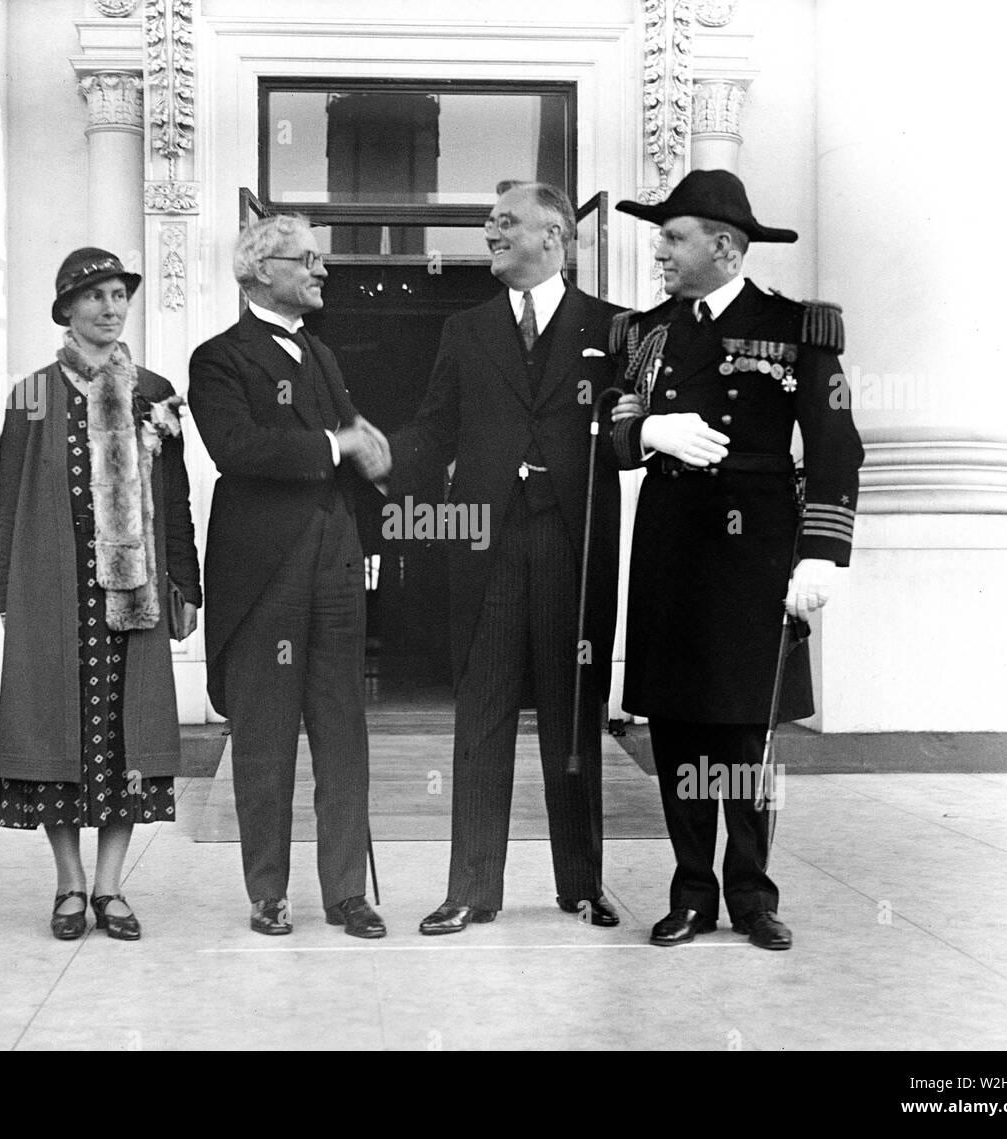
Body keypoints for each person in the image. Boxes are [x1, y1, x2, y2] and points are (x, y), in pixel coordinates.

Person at [607, 169, 864, 951]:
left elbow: (834, 446)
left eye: (673, 236)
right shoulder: (643, 332)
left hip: (756, 549)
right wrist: (646, 433)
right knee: (680, 725)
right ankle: (692, 892)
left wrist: (821, 554)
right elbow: (609, 427)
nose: (660, 250)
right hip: (671, 546)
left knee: (745, 730)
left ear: (723, 246)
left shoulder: (798, 328)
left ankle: (751, 893)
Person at [386, 181, 624, 935]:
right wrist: (375, 469)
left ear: (554, 236)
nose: (489, 230)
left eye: (506, 221)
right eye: (489, 221)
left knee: (573, 716)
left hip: (572, 544)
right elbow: (434, 431)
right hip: (482, 546)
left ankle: (582, 883)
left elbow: (628, 436)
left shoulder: (613, 328)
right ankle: (471, 888)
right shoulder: (466, 328)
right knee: (480, 715)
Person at [0, 248, 201, 942]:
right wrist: (3, 588)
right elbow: (9, 495)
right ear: (67, 308)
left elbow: (176, 496)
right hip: (53, 588)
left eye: (120, 296)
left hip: (130, 594)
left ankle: (110, 886)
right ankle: (69, 883)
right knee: (55, 728)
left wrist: (185, 580)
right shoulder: (31, 395)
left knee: (123, 733)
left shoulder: (154, 389)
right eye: (96, 296)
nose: (111, 309)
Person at [189, 214, 388, 939]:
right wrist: (338, 442)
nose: (321, 269)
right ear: (259, 270)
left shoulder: (324, 356)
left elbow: (352, 451)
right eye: (305, 259)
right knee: (265, 741)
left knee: (343, 732)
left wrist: (371, 468)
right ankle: (268, 891)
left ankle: (347, 893)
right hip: (263, 573)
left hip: (334, 566)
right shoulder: (218, 359)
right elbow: (239, 449)